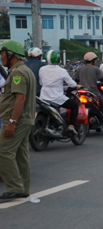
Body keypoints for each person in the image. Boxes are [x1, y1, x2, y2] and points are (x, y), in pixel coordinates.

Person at [0, 40, 36, 201]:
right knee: (21, 155)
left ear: (11, 55)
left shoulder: (17, 73)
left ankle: (14, 187)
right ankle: (23, 188)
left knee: (4, 152)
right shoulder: (25, 70)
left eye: (2, 55)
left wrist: (12, 122)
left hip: (17, 120)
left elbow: (20, 99)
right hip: (25, 119)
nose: (1, 59)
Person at [40, 50, 81, 133]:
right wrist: (77, 86)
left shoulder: (42, 69)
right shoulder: (61, 70)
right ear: (58, 59)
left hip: (43, 97)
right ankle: (71, 126)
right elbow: (71, 84)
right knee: (74, 106)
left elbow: (41, 82)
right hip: (57, 98)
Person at [74, 52, 103, 133]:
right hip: (93, 93)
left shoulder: (79, 69)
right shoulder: (96, 69)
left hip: (81, 93)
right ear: (92, 60)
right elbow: (102, 81)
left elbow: (76, 81)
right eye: (95, 60)